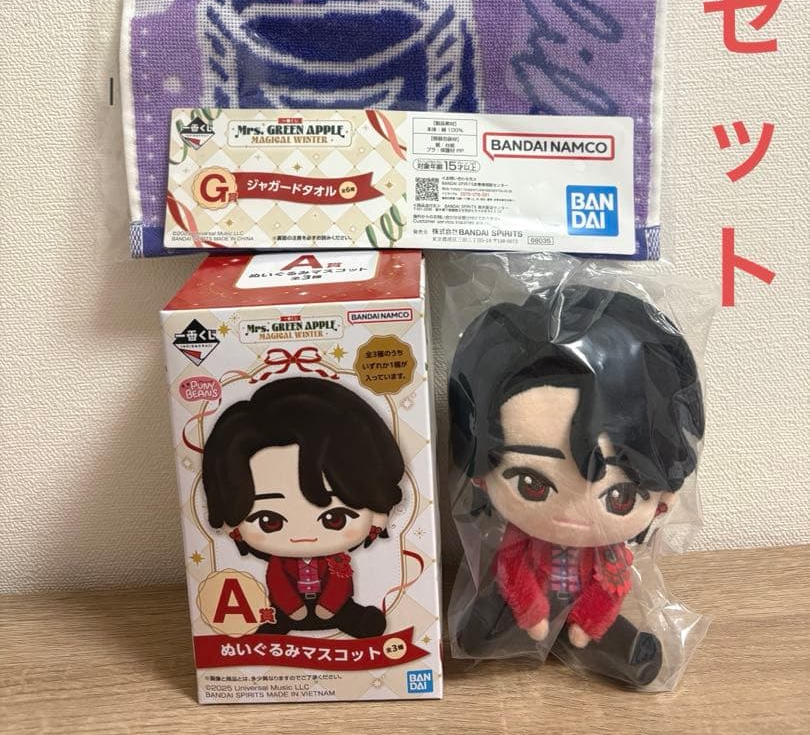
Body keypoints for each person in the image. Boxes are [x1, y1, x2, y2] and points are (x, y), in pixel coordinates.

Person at [449, 285, 704, 687]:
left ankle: (591, 644)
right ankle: (499, 634)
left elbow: (611, 589)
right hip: (526, 606)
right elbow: (512, 572)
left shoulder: (612, 556)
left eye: (620, 496)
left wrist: (587, 623)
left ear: (663, 498)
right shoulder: (519, 541)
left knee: (610, 643)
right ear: (482, 474)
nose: (572, 514)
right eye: (532, 483)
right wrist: (532, 614)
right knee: (486, 623)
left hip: (581, 608)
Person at [203, 377, 404, 638]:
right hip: (289, 609)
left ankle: (358, 622)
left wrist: (328, 607)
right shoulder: (280, 563)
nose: (303, 536)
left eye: (334, 518)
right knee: (275, 619)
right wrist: (293, 608)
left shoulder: (337, 560)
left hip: (334, 608)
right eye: (269, 521)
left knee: (351, 615)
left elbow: (339, 583)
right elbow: (277, 583)